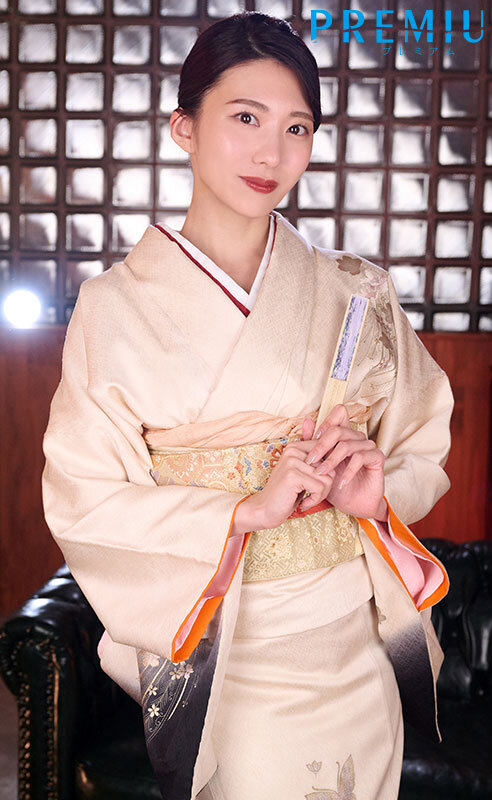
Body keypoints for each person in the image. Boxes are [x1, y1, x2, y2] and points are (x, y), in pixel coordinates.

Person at [41, 12, 453, 800]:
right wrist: (239, 511)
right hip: (232, 659)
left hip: (356, 647)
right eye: (245, 118)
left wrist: (377, 498)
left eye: (297, 128)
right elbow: (83, 497)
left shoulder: (358, 292)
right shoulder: (113, 308)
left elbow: (420, 441)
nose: (273, 152)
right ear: (183, 127)